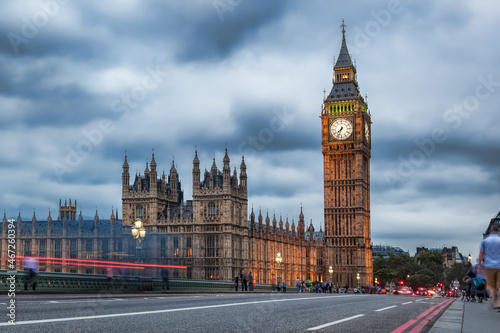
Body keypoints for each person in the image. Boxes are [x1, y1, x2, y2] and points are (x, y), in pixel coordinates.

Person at [477, 222, 500, 310]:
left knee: (490, 286)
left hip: (489, 266)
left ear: (490, 230)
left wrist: (479, 265)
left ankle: (496, 301)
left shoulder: (485, 240)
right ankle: (499, 302)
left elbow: (481, 253)